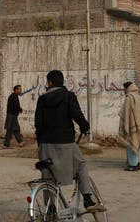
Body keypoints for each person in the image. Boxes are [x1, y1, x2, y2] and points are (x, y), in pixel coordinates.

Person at [34, 70, 97, 210]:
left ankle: (51, 209)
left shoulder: (42, 99)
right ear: (62, 82)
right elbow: (76, 114)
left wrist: (41, 144)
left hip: (45, 143)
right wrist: (84, 126)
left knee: (48, 175)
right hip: (65, 142)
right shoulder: (68, 96)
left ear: (49, 82)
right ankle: (87, 198)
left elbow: (38, 124)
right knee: (81, 165)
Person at [119, 81, 140, 171]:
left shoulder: (129, 98)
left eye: (124, 88)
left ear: (127, 88)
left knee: (131, 144)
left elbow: (126, 114)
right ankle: (137, 163)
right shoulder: (138, 97)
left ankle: (133, 165)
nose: (124, 90)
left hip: (132, 125)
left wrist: (126, 125)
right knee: (137, 144)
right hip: (138, 125)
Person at [4, 84, 24, 148]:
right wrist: (20, 109)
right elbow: (16, 105)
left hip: (13, 115)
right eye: (20, 89)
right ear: (16, 90)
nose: (21, 91)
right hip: (11, 115)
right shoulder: (13, 96)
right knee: (10, 130)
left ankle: (20, 142)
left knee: (15, 129)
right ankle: (6, 144)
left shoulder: (14, 96)